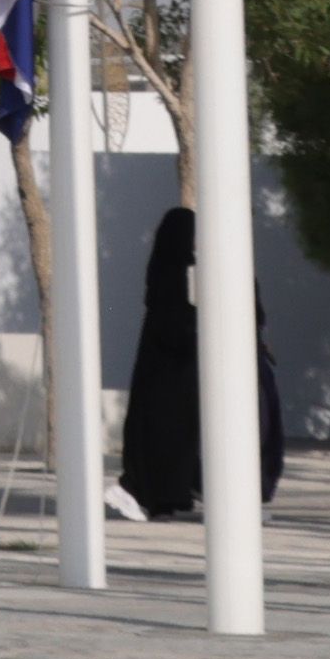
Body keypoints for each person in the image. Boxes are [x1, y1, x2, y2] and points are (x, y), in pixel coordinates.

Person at [117, 206, 205, 527]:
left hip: (165, 364)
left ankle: (168, 496)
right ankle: (160, 497)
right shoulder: (177, 270)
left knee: (170, 433)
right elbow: (177, 318)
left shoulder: (166, 266)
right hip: (171, 366)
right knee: (170, 433)